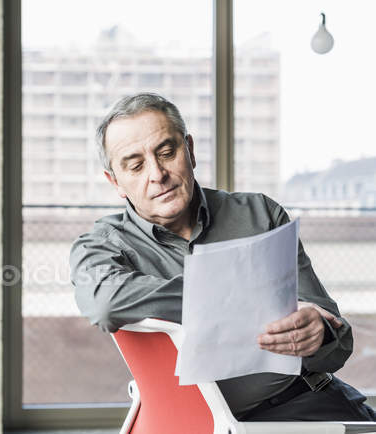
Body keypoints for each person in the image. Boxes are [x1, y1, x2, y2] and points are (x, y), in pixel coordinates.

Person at [69, 92, 376, 421]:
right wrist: (248, 295)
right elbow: (105, 304)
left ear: (190, 150)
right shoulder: (101, 247)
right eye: (136, 165)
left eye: (167, 152)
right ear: (115, 182)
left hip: (310, 399)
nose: (157, 174)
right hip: (207, 422)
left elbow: (338, 345)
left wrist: (321, 333)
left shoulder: (260, 214)